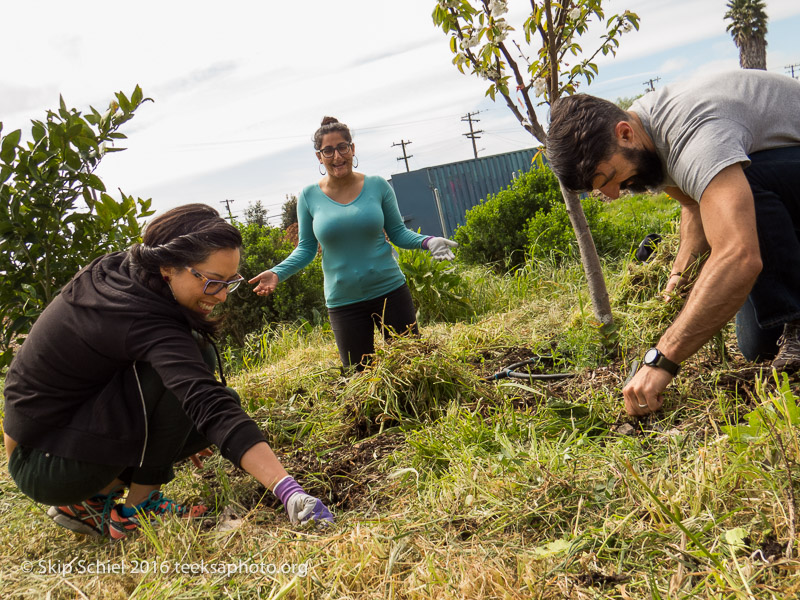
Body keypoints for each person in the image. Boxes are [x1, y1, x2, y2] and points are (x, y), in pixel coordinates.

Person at [2, 204, 333, 539]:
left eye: (229, 283)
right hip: (45, 466)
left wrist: (173, 426)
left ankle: (89, 500)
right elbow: (205, 401)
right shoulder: (140, 317)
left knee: (207, 394)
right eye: (212, 282)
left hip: (44, 445)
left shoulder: (125, 273)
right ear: (168, 266)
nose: (220, 297)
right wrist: (289, 491)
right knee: (193, 370)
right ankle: (134, 510)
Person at [546, 69, 800, 417]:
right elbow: (696, 204)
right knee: (759, 345)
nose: (613, 194)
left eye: (607, 178)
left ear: (624, 133)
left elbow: (739, 255)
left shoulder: (694, 135)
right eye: (598, 189)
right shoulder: (644, 132)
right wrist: (677, 284)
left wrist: (662, 358)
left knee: (742, 186)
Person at [249, 116, 458, 368]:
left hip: (390, 292)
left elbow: (398, 233)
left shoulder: (377, 186)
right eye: (328, 150)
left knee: (412, 367)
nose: (337, 156)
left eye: (342, 147)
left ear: (352, 149)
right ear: (319, 157)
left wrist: (429, 241)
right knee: (359, 376)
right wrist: (277, 273)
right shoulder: (308, 196)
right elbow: (306, 249)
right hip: (343, 302)